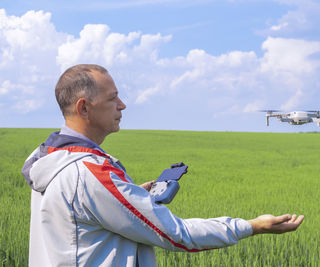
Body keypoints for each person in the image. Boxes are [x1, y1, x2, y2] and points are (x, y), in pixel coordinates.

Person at [22, 64, 304, 266]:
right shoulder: (91, 174)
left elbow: (81, 217)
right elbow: (177, 235)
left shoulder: (49, 158)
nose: (123, 105)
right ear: (84, 108)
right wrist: (253, 226)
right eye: (112, 98)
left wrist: (126, 194)